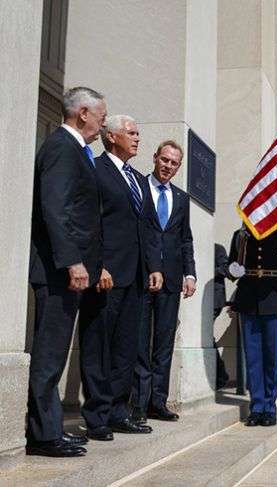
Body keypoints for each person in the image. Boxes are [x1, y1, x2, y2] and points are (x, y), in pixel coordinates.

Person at [27, 87, 109, 457]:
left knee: (56, 354)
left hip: (69, 271)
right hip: (58, 272)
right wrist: (73, 261)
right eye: (101, 116)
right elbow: (55, 209)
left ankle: (49, 426)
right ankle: (43, 435)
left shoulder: (79, 150)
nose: (104, 122)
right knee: (49, 354)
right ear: (83, 113)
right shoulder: (62, 146)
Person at [78, 115, 163, 441]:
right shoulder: (96, 170)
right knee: (98, 347)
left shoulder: (138, 180)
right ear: (111, 136)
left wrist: (153, 266)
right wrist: (96, 265)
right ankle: (96, 416)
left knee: (126, 349)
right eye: (132, 133)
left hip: (136, 278)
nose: (138, 138)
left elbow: (148, 227)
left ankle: (117, 411)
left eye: (139, 132)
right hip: (106, 276)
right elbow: (90, 223)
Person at [131, 141, 196, 423]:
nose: (168, 166)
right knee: (139, 341)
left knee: (164, 343)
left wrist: (190, 274)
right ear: (155, 157)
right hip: (142, 276)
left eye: (174, 163)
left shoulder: (181, 198)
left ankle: (158, 401)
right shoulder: (138, 186)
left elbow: (185, 239)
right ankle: (138, 404)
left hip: (171, 280)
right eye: (165, 160)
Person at [228, 223, 277, 427]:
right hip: (248, 300)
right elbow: (233, 268)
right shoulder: (241, 235)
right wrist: (232, 268)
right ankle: (256, 406)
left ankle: (269, 407)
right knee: (252, 358)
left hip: (274, 300)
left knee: (271, 358)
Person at [213, 243, 230, 389]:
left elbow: (226, 268)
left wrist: (208, 271)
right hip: (201, 299)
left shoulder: (218, 248)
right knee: (207, 338)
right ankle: (221, 375)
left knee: (206, 337)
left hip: (215, 300)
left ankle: (220, 375)